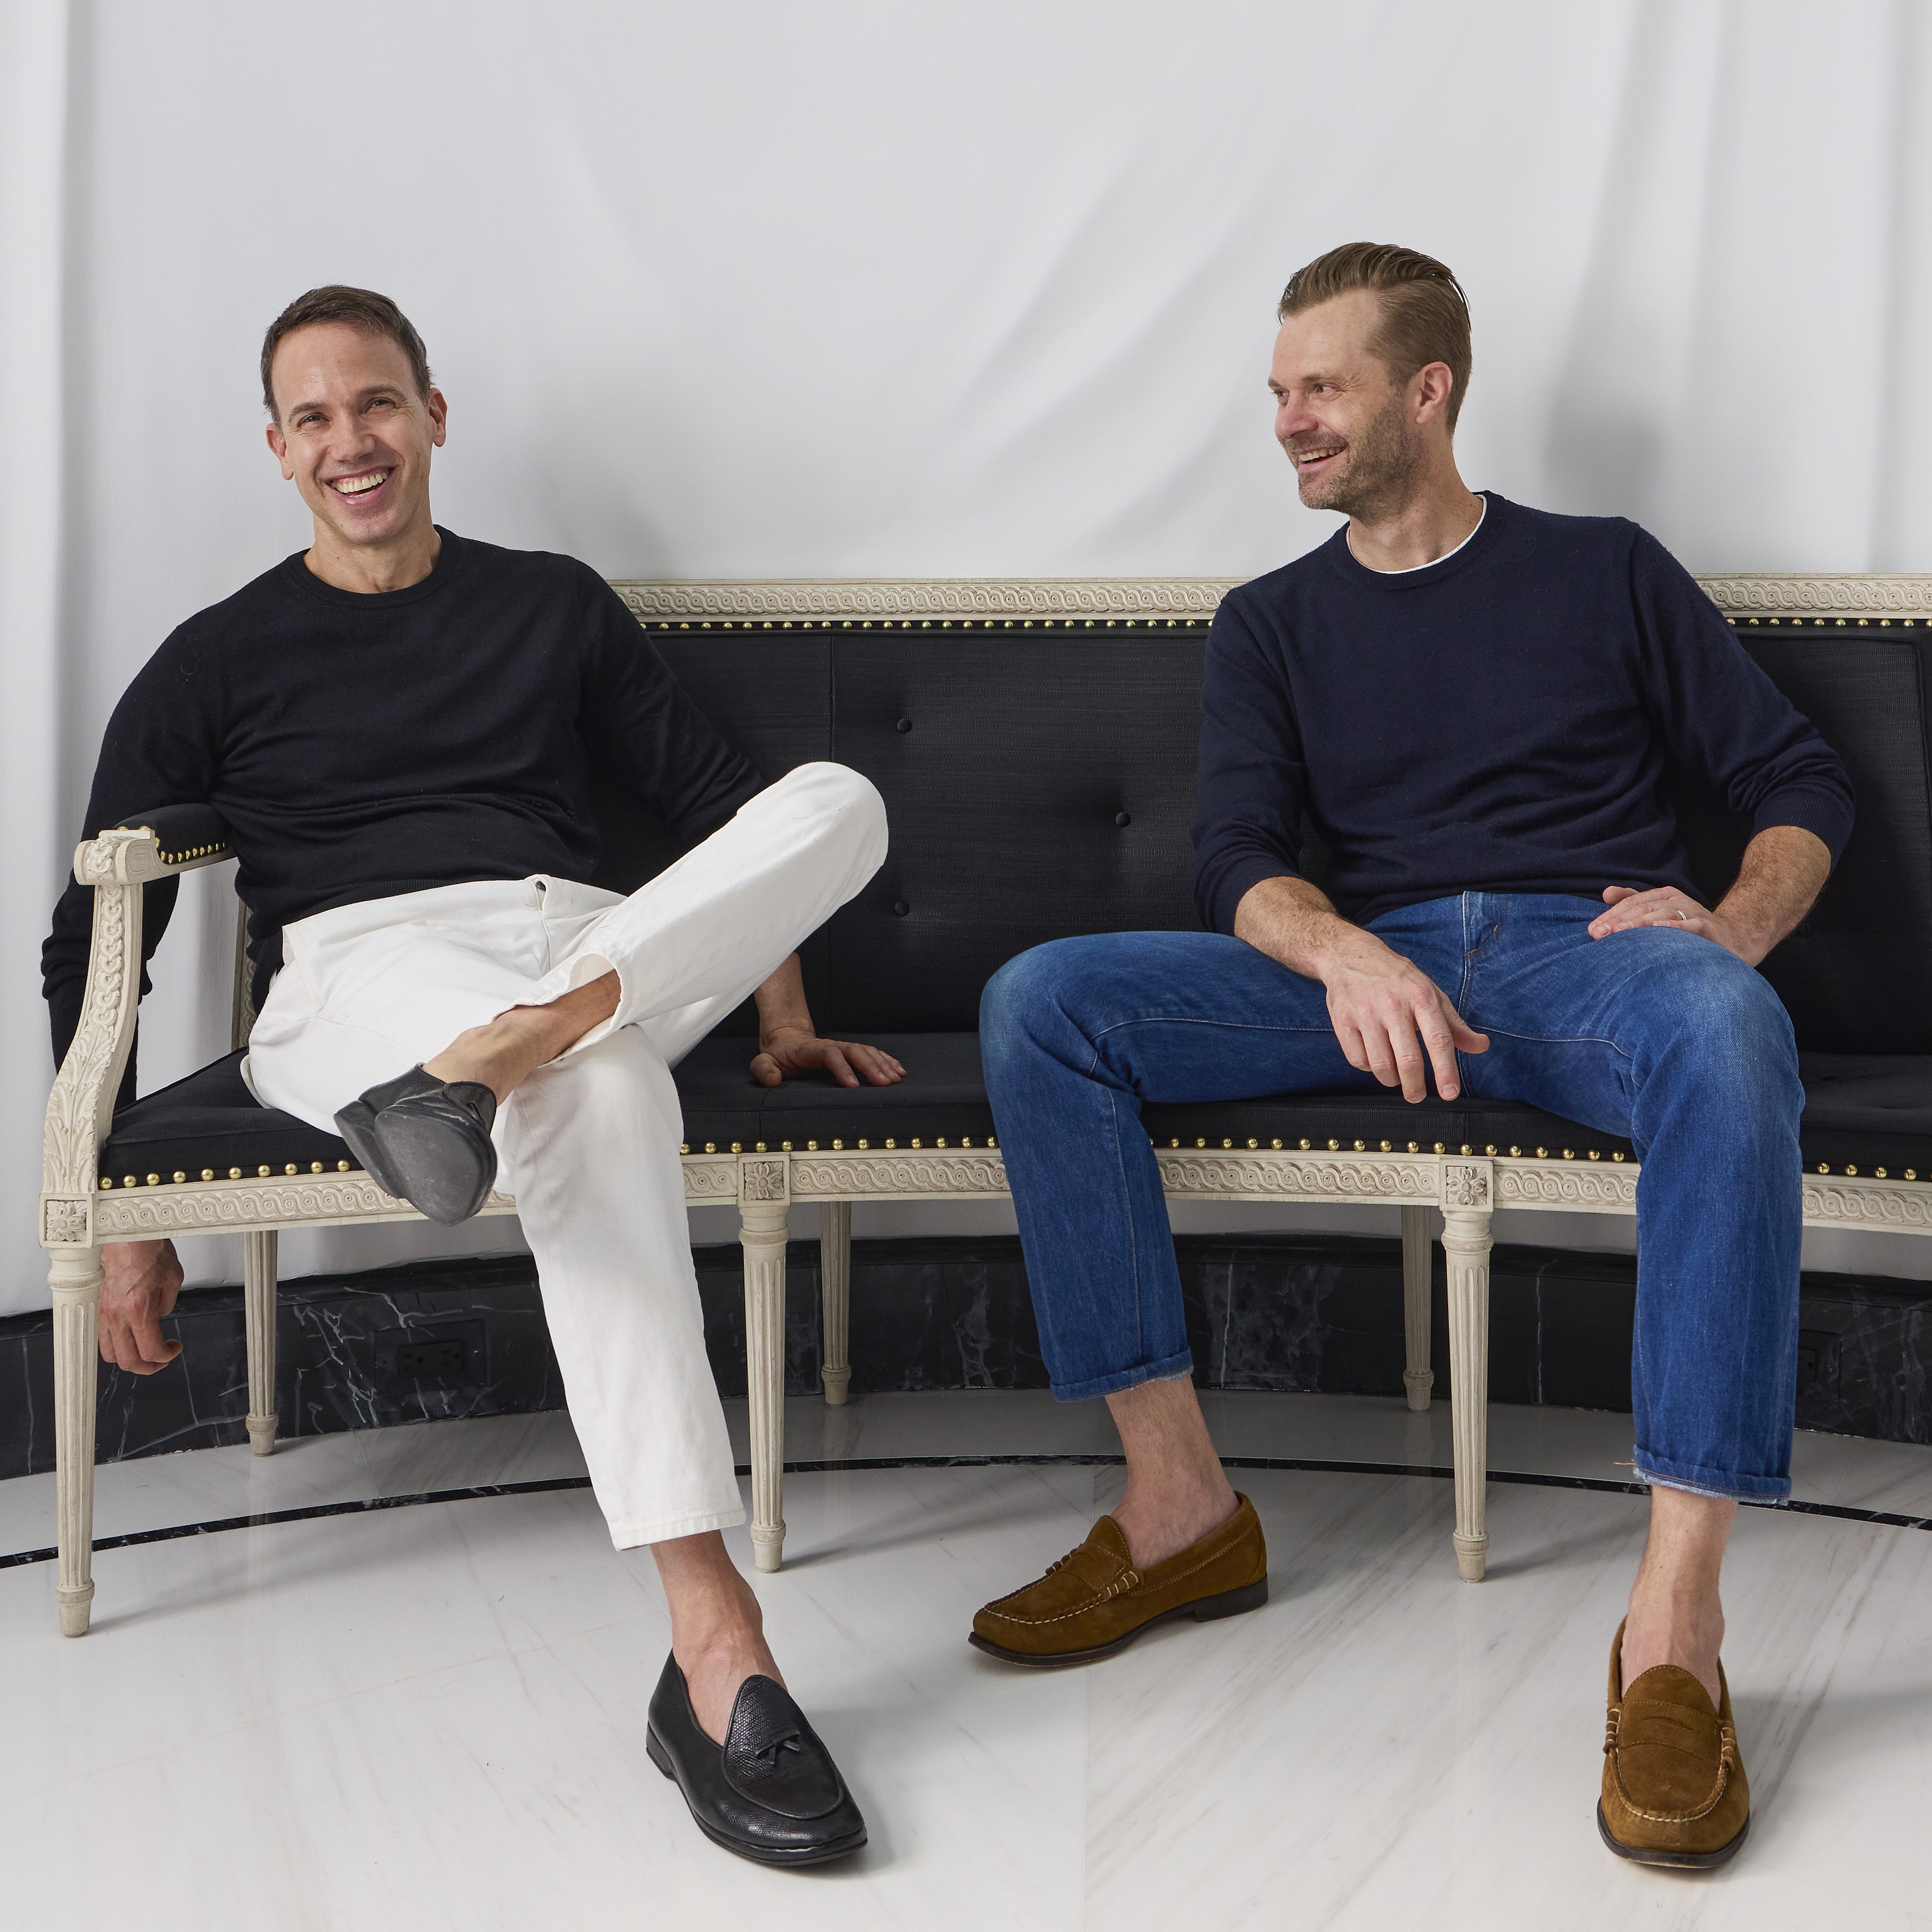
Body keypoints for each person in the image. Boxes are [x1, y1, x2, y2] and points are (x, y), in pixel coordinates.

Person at [972, 243, 1852, 1871]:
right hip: (1355, 972)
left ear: (1425, 391)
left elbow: (1801, 782)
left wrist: (1723, 931)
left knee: (1730, 1029)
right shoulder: (1273, 622)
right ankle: (1180, 1510)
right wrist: (1347, 949)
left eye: (1322, 388)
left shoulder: (1607, 570)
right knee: (1043, 1001)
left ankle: (1675, 1629)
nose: (1290, 421)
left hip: (1577, 959)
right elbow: (1232, 855)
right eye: (1280, 394)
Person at [42, 285, 896, 1869]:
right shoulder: (213, 657)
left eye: (377, 404)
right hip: (366, 980)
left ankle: (494, 1066)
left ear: (436, 415)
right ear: (279, 452)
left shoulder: (554, 605)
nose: (350, 442)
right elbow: (95, 946)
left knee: (841, 802)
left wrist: (777, 1015)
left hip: (571, 954)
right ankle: (718, 1649)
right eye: (314, 418)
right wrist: (113, 1204)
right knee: (618, 1093)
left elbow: (730, 816)